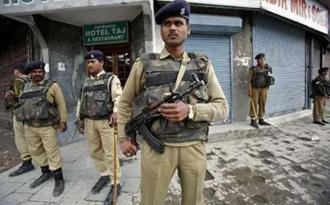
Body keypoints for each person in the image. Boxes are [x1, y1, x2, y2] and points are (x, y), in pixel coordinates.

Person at [117, 0, 228, 204]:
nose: (173, 28)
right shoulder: (145, 64)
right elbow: (124, 103)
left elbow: (222, 108)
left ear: (188, 29)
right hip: (157, 149)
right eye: (167, 24)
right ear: (161, 31)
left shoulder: (202, 64)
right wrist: (123, 138)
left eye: (178, 23)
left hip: (193, 146)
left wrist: (191, 110)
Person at [15, 61, 67, 197]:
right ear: (29, 74)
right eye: (34, 72)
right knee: (35, 150)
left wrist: (63, 121)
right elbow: (21, 104)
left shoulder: (52, 86)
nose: (37, 74)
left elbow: (61, 104)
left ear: (43, 72)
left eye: (39, 71)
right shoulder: (25, 87)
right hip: (30, 126)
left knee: (52, 151)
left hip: (47, 126)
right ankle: (46, 173)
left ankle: (59, 179)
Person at [77, 50, 122, 204]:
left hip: (106, 121)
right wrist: (80, 120)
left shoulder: (111, 79)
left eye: (93, 62)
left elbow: (119, 98)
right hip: (90, 121)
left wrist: (116, 112)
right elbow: (81, 102)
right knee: (95, 151)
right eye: (88, 62)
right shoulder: (86, 82)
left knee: (111, 152)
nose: (90, 64)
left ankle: (116, 183)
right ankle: (104, 175)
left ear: (101, 62)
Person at [4, 63, 35, 177]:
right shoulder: (32, 79)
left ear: (17, 71)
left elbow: (19, 97)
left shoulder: (18, 80)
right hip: (32, 113)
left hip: (20, 113)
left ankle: (27, 162)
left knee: (20, 137)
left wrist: (10, 96)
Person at [248, 53, 274, 129]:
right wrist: (249, 89)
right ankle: (253, 120)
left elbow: (271, 78)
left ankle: (261, 119)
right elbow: (249, 80)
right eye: (259, 59)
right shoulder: (253, 69)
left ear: (264, 60)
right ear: (257, 61)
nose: (261, 61)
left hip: (264, 89)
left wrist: (268, 71)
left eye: (262, 59)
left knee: (263, 103)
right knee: (254, 103)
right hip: (255, 88)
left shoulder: (268, 68)